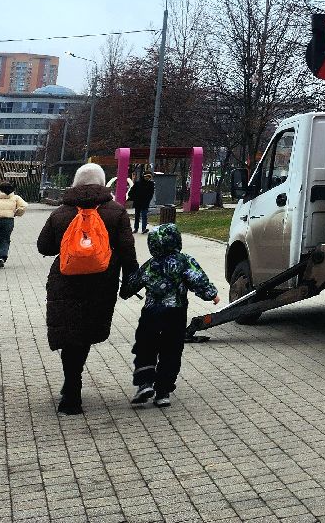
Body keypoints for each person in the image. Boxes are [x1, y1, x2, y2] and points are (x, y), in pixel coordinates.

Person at [36, 162, 138, 416]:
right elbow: (127, 249)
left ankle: (71, 387)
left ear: (75, 183)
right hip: (102, 283)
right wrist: (131, 280)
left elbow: (44, 246)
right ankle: (73, 383)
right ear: (102, 183)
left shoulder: (61, 212)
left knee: (70, 334)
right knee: (84, 334)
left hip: (65, 281)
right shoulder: (116, 212)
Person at [121, 222, 219, 408]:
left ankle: (145, 383)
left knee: (145, 346)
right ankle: (163, 392)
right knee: (171, 351)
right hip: (176, 314)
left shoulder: (149, 265)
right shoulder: (184, 261)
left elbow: (130, 287)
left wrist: (125, 287)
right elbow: (198, 279)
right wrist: (211, 295)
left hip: (150, 313)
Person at [129, 169, 155, 234]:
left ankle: (143, 229)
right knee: (137, 216)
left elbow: (151, 194)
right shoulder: (138, 183)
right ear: (144, 176)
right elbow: (131, 191)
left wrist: (148, 200)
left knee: (144, 216)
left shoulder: (151, 184)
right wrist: (133, 198)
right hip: (137, 202)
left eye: (149, 177)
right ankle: (136, 228)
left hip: (145, 203)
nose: (147, 178)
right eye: (146, 176)